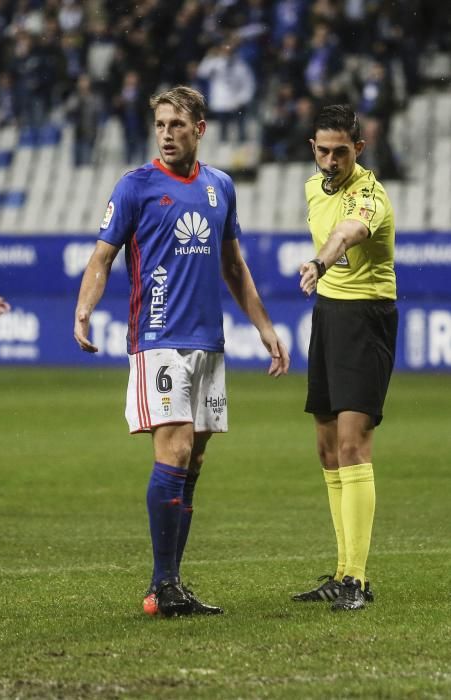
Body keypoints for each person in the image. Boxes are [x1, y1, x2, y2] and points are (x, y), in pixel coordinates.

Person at [74, 85, 290, 618]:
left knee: (193, 459)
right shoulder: (135, 186)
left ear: (200, 128)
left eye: (177, 124)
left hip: (208, 344)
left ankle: (171, 583)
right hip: (158, 339)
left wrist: (264, 326)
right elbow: (102, 257)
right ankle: (161, 585)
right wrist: (84, 307)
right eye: (161, 125)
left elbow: (234, 267)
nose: (167, 133)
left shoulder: (220, 187)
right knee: (171, 454)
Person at [292, 104, 397, 611]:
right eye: (323, 151)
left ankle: (357, 579)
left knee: (355, 446)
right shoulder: (313, 188)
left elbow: (346, 234)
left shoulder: (371, 197)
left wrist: (318, 261)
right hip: (329, 316)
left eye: (341, 151)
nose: (330, 161)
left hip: (366, 317)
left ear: (359, 148)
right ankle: (340, 570)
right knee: (328, 449)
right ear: (312, 148)